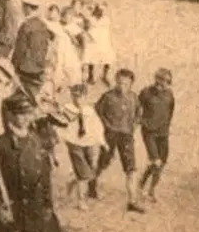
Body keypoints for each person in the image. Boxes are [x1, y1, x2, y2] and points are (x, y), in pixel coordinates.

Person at [0, 94, 65, 232]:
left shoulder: (36, 140)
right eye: (20, 114)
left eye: (28, 113)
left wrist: (47, 204)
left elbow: (45, 177)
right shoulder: (0, 146)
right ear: (10, 115)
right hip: (14, 206)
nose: (25, 118)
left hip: (36, 206)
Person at [94, 67, 144, 213]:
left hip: (126, 136)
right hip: (110, 135)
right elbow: (97, 112)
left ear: (131, 84)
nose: (122, 87)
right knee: (104, 162)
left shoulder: (134, 98)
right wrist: (106, 126)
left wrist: (135, 123)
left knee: (131, 168)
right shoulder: (107, 96)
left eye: (126, 84)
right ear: (116, 81)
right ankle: (93, 185)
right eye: (120, 83)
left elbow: (139, 112)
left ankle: (132, 201)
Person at [59, 82, 103, 212]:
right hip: (74, 144)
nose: (78, 99)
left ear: (86, 97)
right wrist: (65, 138)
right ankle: (81, 201)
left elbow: (97, 126)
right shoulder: (67, 109)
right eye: (75, 96)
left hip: (89, 143)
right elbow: (61, 124)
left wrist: (101, 141)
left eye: (81, 97)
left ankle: (72, 182)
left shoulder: (90, 110)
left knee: (91, 170)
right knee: (84, 174)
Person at [138, 67, 175, 204]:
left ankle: (147, 187)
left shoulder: (169, 94)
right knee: (156, 161)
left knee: (161, 163)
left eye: (166, 81)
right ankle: (145, 188)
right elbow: (136, 106)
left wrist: (167, 126)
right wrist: (141, 120)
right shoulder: (146, 92)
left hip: (163, 133)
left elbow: (170, 111)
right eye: (160, 80)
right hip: (149, 132)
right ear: (156, 79)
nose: (162, 84)